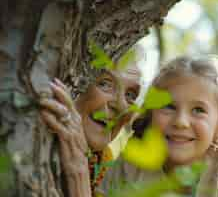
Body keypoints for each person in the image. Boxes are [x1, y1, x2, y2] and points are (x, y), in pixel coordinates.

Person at [100, 56, 218, 197]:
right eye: (169, 107)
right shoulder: (131, 165)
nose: (180, 122)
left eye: (198, 110)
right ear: (150, 115)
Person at [39, 63, 141, 197]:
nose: (122, 106)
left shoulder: (112, 172)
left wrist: (78, 173)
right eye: (105, 84)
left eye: (130, 95)